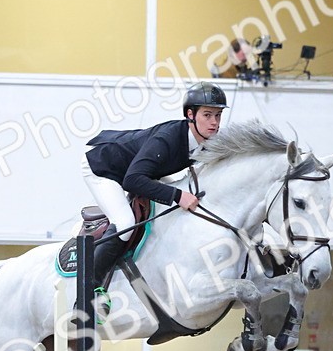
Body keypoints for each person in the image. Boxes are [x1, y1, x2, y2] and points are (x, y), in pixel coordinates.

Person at [80, 81, 228, 294]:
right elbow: (132, 180)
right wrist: (178, 195)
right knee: (125, 223)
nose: (214, 122)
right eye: (207, 115)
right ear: (190, 114)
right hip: (103, 167)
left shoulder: (206, 141)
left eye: (218, 115)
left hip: (138, 170)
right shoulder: (167, 139)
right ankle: (88, 291)